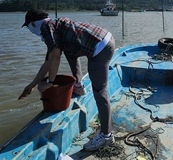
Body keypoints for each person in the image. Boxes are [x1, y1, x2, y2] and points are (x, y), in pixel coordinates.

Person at [17, 9, 116, 152]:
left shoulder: (46, 28)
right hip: (103, 37)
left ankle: (106, 135)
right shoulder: (54, 25)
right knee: (69, 51)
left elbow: (55, 57)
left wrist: (50, 83)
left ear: (33, 24)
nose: (29, 30)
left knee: (100, 91)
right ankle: (79, 85)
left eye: (28, 27)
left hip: (101, 47)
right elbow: (48, 61)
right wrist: (32, 85)